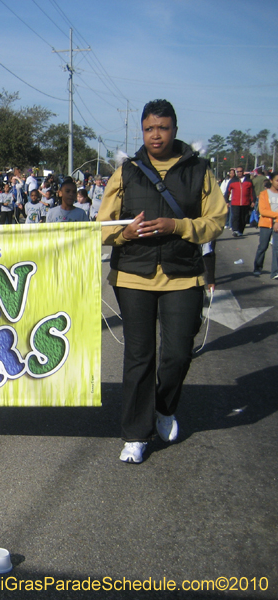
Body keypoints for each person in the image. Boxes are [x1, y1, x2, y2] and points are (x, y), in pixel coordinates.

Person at [98, 99, 226, 464]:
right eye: (150, 128)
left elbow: (217, 219)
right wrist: (126, 231)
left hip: (182, 275)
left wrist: (180, 226)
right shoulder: (126, 172)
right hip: (133, 275)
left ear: (175, 129)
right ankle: (136, 434)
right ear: (142, 130)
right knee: (139, 356)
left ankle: (164, 408)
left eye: (163, 128)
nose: (156, 135)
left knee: (178, 353)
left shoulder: (199, 170)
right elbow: (102, 227)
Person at [253, 171, 278, 279]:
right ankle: (257, 268)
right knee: (263, 247)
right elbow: (263, 211)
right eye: (277, 180)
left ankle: (275, 272)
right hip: (266, 223)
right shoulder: (264, 194)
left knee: (277, 248)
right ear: (271, 181)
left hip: (277, 224)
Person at [224, 166, 253, 237]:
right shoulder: (233, 181)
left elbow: (252, 192)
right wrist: (227, 201)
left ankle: (240, 230)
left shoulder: (248, 181)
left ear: (243, 172)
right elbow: (227, 191)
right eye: (238, 171)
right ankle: (235, 230)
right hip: (235, 203)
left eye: (241, 171)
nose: (239, 173)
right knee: (235, 217)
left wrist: (253, 201)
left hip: (245, 203)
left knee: (243, 218)